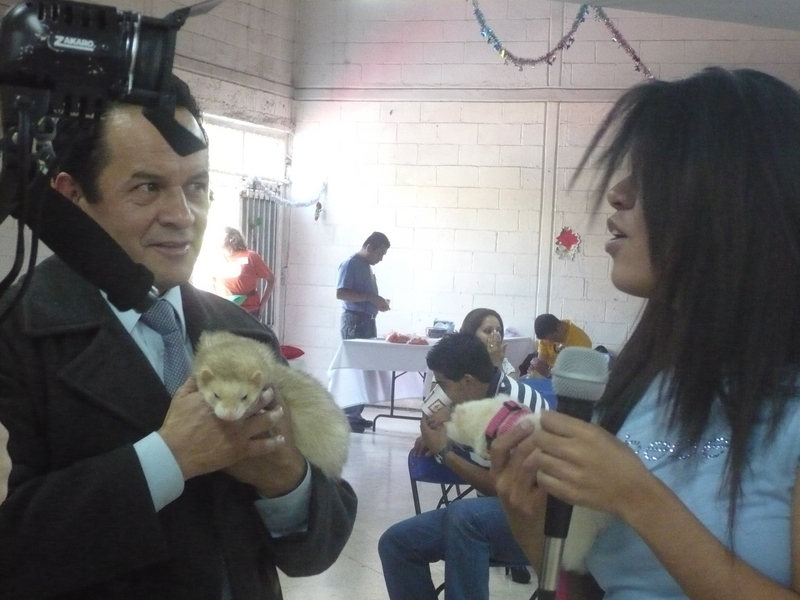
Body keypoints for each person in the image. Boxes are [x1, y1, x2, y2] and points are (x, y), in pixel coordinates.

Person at [0, 76, 357, 599]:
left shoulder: (241, 333)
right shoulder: (15, 336)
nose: (183, 216)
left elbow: (313, 553)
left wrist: (286, 480)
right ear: (71, 197)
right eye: (147, 188)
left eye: (196, 186)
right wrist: (168, 459)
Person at [491, 67, 800, 600]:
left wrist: (640, 497)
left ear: (739, 201)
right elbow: (592, 583)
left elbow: (641, 508)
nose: (617, 193)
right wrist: (530, 516)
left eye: (653, 175)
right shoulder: (645, 381)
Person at [378, 333, 547, 600]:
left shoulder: (515, 406)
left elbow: (507, 490)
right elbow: (449, 432)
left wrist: (444, 452)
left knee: (465, 517)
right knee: (395, 542)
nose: (440, 392)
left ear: (468, 381)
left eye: (443, 384)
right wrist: (442, 435)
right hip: (487, 518)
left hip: (535, 521)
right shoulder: (468, 398)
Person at [336, 231, 391, 432]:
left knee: (364, 370)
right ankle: (348, 416)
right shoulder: (350, 264)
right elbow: (341, 293)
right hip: (354, 322)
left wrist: (377, 303)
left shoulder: (366, 266)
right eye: (380, 253)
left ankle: (355, 414)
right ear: (369, 248)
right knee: (354, 370)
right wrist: (370, 298)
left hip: (367, 320)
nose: (381, 258)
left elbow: (366, 295)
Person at [214, 226, 276, 320]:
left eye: (220, 235)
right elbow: (212, 283)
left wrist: (262, 305)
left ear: (231, 238)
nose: (216, 237)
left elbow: (272, 280)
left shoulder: (251, 256)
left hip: (249, 311)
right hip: (225, 310)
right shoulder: (216, 259)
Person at [528, 313, 592, 378]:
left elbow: (576, 373)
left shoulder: (581, 341)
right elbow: (542, 362)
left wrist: (547, 373)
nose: (550, 342)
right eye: (546, 340)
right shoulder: (546, 337)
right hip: (552, 373)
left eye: (553, 338)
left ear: (559, 328)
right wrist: (537, 366)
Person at [460, 308, 517, 378]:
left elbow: (513, 381)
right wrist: (492, 362)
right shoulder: (461, 360)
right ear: (471, 334)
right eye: (488, 331)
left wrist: (500, 361)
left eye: (498, 331)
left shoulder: (498, 356)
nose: (496, 335)